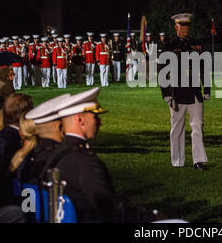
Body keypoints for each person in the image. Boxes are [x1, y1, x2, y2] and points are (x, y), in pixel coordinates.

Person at [39, 88, 163, 223]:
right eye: (95, 116)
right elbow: (110, 211)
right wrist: (151, 216)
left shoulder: (56, 153)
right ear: (80, 120)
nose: (100, 122)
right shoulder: (85, 161)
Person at [159, 13, 210, 170]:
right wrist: (167, 94)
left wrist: (206, 87)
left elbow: (203, 67)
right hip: (177, 91)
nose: (185, 29)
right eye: (182, 25)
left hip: (194, 91)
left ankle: (198, 160)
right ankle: (178, 161)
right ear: (176, 27)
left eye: (188, 26)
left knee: (198, 125)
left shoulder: (196, 44)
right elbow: (162, 71)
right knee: (177, 127)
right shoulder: (168, 46)